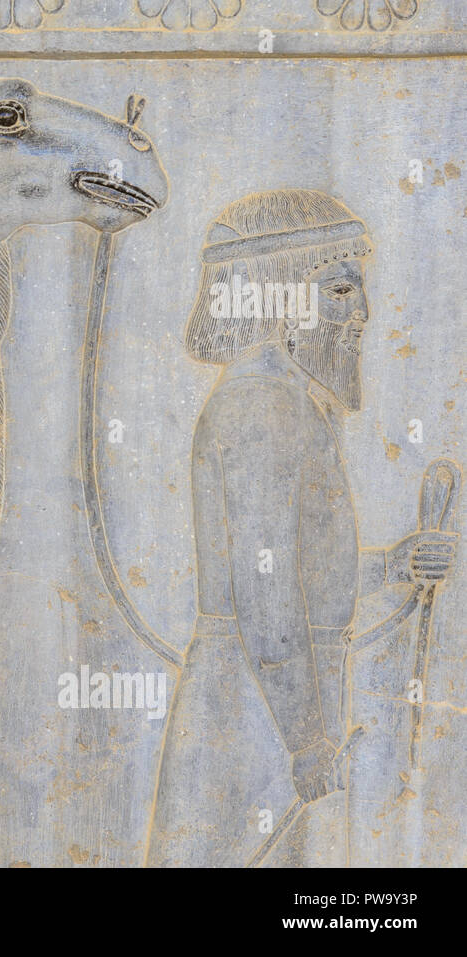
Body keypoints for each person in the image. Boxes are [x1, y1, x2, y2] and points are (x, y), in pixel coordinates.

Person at [146, 189, 457, 866]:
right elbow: (267, 603)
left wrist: (395, 563)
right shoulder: (262, 406)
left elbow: (306, 572)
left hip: (275, 704)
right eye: (341, 290)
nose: (364, 313)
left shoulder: (284, 401)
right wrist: (307, 742)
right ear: (281, 294)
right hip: (255, 711)